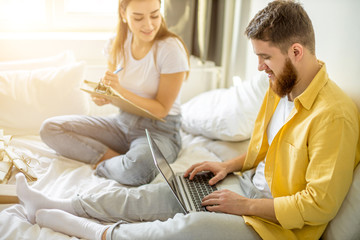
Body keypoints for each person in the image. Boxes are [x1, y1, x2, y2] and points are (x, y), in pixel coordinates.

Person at [16, 1, 360, 239]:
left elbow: (318, 206)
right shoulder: (279, 86)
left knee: (185, 230)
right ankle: (61, 204)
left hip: (275, 228)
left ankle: (92, 231)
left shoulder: (335, 117)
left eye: (265, 57)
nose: (259, 68)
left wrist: (245, 205)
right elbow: (270, 151)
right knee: (158, 196)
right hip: (244, 190)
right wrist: (229, 166)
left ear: (296, 52)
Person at [39, 0, 189, 186]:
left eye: (155, 15)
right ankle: (112, 159)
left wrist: (120, 91)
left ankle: (110, 164)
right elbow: (114, 90)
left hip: (160, 131)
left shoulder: (170, 49)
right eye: (138, 17)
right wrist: (104, 96)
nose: (149, 25)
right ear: (123, 14)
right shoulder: (116, 44)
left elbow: (161, 110)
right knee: (50, 128)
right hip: (122, 123)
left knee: (136, 171)